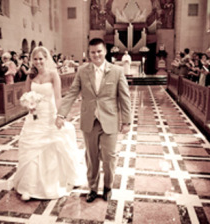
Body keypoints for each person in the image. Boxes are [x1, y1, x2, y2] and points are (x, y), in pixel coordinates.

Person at [57, 38, 132, 203]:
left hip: (110, 119)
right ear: (89, 53)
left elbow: (125, 97)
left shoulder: (117, 71)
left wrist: (126, 121)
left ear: (105, 51)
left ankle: (107, 187)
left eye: (99, 51)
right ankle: (92, 188)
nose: (96, 55)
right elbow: (72, 93)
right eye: (93, 52)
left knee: (109, 156)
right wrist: (61, 114)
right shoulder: (82, 71)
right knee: (91, 156)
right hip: (89, 120)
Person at [8, 47, 81, 200]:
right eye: (35, 59)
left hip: (50, 114)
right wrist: (30, 106)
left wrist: (60, 115)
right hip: (34, 116)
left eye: (41, 58)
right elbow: (26, 94)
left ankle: (52, 183)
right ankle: (29, 187)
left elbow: (58, 97)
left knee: (52, 147)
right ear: (31, 60)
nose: (38, 62)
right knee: (32, 149)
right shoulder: (30, 75)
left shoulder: (53, 74)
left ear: (46, 59)